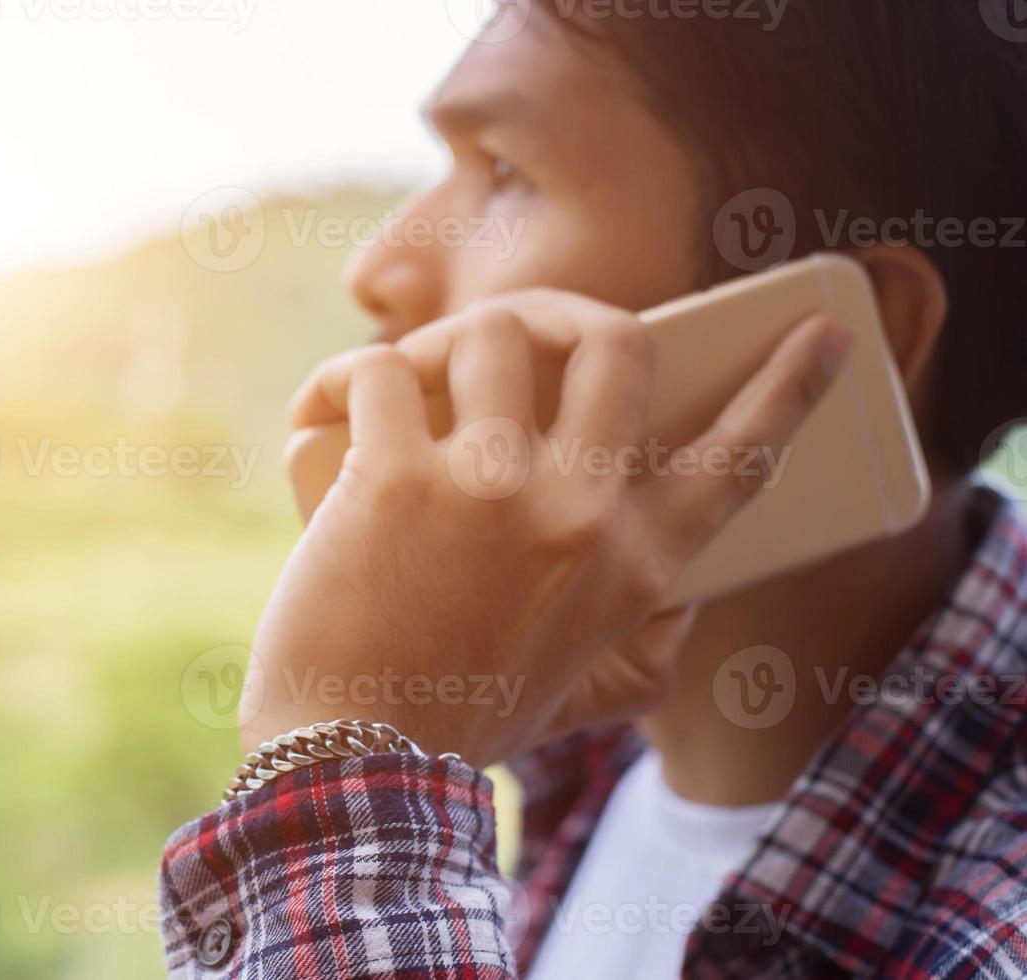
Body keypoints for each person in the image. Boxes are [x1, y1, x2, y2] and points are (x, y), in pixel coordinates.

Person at [160, 1, 1027, 976]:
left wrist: (351, 758)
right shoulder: (578, 751)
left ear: (846, 343)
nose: (378, 267)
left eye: (507, 174)